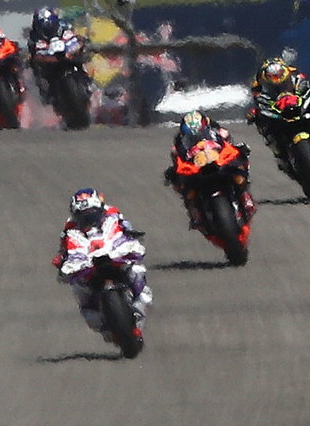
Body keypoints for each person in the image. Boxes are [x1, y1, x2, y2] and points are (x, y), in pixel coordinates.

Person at [51, 188, 152, 341]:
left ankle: (138, 304)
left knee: (136, 270)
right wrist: (61, 260)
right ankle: (104, 328)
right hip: (87, 264)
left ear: (99, 209)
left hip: (114, 254)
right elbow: (64, 249)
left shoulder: (112, 214)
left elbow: (126, 227)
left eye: (92, 213)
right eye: (83, 216)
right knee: (78, 290)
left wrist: (132, 234)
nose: (89, 219)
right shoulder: (70, 228)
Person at [164, 110, 254, 228]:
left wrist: (238, 151)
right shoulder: (179, 142)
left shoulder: (217, 131)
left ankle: (244, 195)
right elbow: (177, 158)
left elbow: (229, 145)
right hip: (197, 167)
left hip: (218, 161)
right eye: (191, 135)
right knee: (184, 187)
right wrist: (174, 172)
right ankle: (194, 212)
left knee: (239, 165)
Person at [247, 56, 310, 172]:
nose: (278, 85)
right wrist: (255, 113)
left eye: (282, 82)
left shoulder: (296, 76)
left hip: (298, 106)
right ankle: (279, 154)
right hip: (277, 113)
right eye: (272, 85)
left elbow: (308, 86)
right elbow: (257, 102)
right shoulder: (258, 86)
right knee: (263, 125)